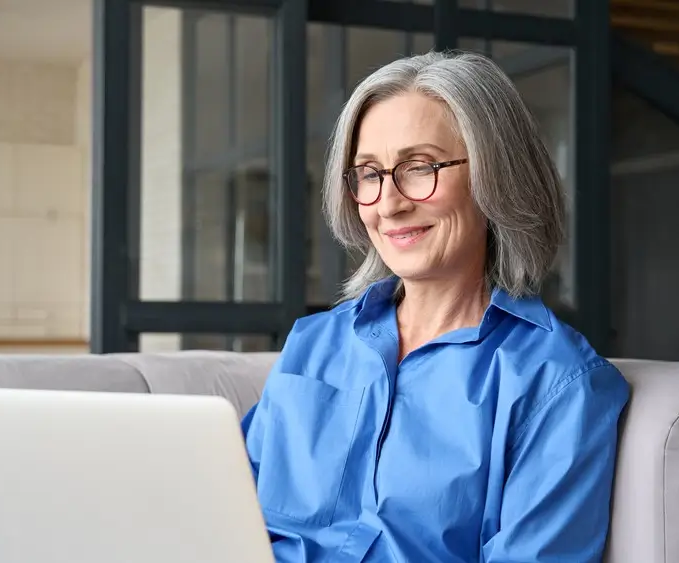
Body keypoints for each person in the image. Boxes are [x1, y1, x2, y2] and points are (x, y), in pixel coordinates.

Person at [241, 51, 629, 563]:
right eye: (369, 173)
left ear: (497, 175)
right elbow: (218, 510)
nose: (389, 203)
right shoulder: (312, 345)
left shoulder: (558, 384)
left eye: (419, 167)